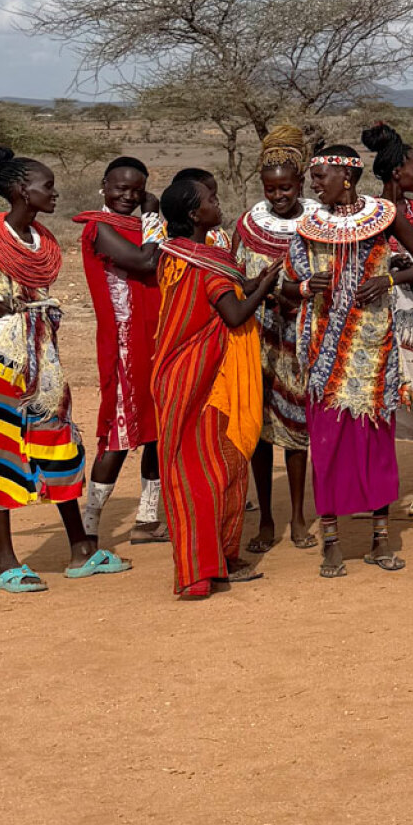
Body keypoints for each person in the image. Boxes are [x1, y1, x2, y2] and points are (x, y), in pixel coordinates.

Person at [0, 147, 115, 589]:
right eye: (46, 186)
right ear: (19, 191)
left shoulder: (39, 240)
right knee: (3, 447)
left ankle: (79, 550)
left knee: (59, 441)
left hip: (43, 351)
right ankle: (5, 562)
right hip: (6, 354)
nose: (54, 192)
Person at [292, 140, 413, 580]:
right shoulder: (308, 223)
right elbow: (290, 278)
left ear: (347, 177)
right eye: (313, 177)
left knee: (376, 444)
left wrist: (388, 279)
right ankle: (331, 544)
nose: (314, 184)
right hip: (324, 351)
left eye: (321, 177)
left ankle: (380, 540)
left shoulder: (383, 216)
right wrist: (305, 287)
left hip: (373, 347)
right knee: (329, 444)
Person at [152, 168, 281, 600]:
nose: (217, 202)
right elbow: (234, 314)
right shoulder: (203, 263)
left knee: (221, 468)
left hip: (196, 377)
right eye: (210, 198)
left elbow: (227, 292)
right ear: (194, 212)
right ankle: (199, 570)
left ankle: (221, 559)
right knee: (204, 473)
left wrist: (257, 284)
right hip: (202, 382)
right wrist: (264, 288)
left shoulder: (186, 253)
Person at [72, 157, 165, 545]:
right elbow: (146, 260)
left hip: (157, 336)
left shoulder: (138, 226)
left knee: (159, 427)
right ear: (103, 186)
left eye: (137, 191)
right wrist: (156, 215)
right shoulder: (100, 228)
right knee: (120, 432)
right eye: (119, 189)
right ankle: (89, 528)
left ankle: (147, 518)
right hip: (125, 343)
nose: (128, 196)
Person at [233, 125, 314, 552]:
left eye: (286, 187)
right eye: (271, 188)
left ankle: (298, 517)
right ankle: (266, 519)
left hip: (301, 340)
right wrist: (263, 288)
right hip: (258, 337)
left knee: (296, 427)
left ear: (300, 183)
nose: (278, 195)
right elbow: (233, 279)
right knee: (260, 429)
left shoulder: (319, 222)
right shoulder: (248, 224)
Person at [365, 121, 413, 520]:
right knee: (376, 397)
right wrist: (383, 262)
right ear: (397, 172)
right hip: (376, 312)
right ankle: (379, 485)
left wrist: (406, 264)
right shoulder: (366, 214)